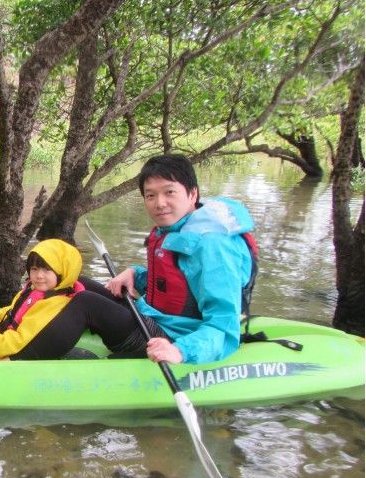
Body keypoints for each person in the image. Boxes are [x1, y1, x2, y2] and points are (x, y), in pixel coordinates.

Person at [38, 153, 255, 365]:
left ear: (192, 194)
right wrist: (135, 274)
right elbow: (179, 282)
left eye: (169, 192)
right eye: (150, 195)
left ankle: (19, 361)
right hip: (155, 318)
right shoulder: (179, 228)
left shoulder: (214, 245)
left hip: (176, 338)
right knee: (76, 283)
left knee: (86, 303)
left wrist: (180, 351)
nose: (159, 203)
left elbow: (224, 327)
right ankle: (19, 327)